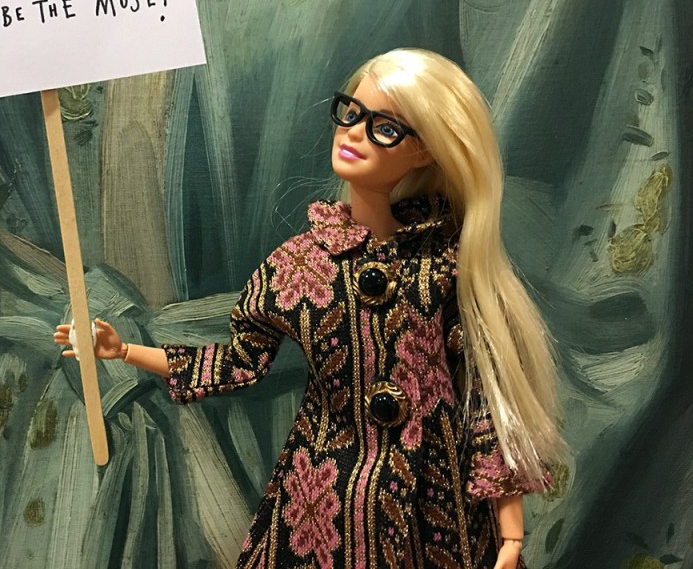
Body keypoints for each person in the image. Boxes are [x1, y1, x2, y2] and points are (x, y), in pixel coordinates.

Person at [56, 48, 563, 568]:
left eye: (385, 128)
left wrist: (510, 534)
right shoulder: (298, 268)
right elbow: (237, 362)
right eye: (352, 114)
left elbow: (485, 395)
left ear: (425, 151)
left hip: (435, 506)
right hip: (326, 501)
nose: (354, 134)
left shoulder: (444, 263)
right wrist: (123, 351)